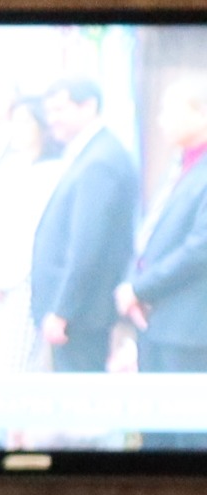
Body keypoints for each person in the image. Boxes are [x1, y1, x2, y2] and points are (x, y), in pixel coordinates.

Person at [29, 77, 139, 375]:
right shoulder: (89, 153)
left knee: (81, 396)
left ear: (88, 106)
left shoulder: (100, 160)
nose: (52, 120)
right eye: (48, 112)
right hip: (75, 311)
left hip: (81, 314)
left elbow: (87, 246)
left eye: (59, 110)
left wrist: (62, 310)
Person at [0, 97, 61, 375]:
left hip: (23, 282)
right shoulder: (9, 166)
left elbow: (32, 235)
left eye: (24, 122)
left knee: (17, 366)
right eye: (13, 121)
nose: (16, 128)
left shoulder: (54, 171)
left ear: (42, 127)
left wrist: (5, 278)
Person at [115, 80, 207, 373]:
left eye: (170, 111)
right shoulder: (179, 164)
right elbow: (151, 235)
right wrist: (132, 286)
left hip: (190, 326)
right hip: (155, 319)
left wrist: (141, 288)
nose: (160, 120)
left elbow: (199, 249)